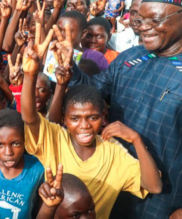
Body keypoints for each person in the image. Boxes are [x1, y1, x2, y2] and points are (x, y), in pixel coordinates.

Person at [21, 36, 162, 218]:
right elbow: (30, 118)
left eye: (92, 117)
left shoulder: (114, 153)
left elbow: (154, 186)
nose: (84, 125)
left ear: (103, 118)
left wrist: (137, 140)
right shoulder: (55, 138)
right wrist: (29, 75)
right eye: (75, 118)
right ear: (64, 119)